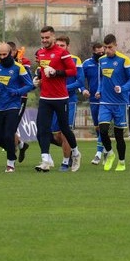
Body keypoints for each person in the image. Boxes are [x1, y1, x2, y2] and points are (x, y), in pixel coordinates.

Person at [33, 26, 82, 172]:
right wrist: (38, 79)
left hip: (61, 98)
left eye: (47, 37)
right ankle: (45, 160)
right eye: (42, 38)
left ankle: (76, 153)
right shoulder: (41, 53)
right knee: (42, 128)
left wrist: (56, 73)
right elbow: (43, 71)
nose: (44, 40)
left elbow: (72, 71)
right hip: (45, 97)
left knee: (65, 129)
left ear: (53, 37)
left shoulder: (62, 53)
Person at [0, 42, 34, 172]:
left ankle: (10, 163)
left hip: (13, 105)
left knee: (9, 135)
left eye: (5, 54)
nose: (2, 57)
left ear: (10, 53)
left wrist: (18, 92)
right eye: (0, 54)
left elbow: (30, 85)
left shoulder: (18, 67)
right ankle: (20, 145)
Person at [95, 34, 130, 171]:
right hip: (105, 102)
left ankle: (122, 162)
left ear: (115, 45)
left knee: (118, 136)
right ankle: (110, 153)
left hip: (120, 103)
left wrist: (122, 88)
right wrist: (99, 90)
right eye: (105, 47)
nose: (107, 50)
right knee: (103, 130)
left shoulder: (124, 60)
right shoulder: (101, 60)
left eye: (110, 47)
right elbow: (101, 79)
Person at [50, 35, 85, 172]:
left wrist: (64, 88)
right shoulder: (52, 60)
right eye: (57, 45)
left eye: (62, 46)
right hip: (54, 100)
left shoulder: (75, 60)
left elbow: (80, 81)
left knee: (65, 132)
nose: (59, 48)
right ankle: (72, 149)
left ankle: (65, 162)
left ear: (68, 47)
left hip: (69, 101)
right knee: (56, 135)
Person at [81, 42, 105, 165]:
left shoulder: (107, 62)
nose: (101, 55)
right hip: (93, 99)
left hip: (106, 99)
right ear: (93, 52)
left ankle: (98, 153)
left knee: (102, 124)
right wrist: (83, 89)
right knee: (97, 127)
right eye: (98, 53)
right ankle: (106, 148)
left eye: (102, 52)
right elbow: (80, 79)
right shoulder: (86, 64)